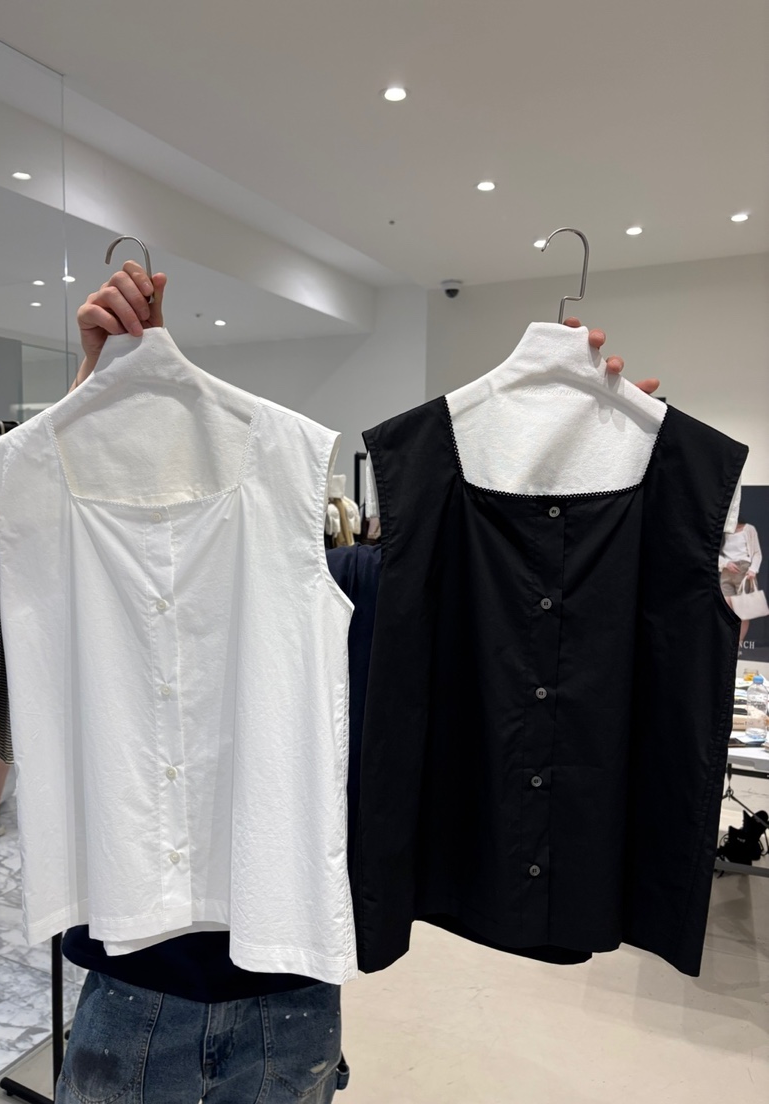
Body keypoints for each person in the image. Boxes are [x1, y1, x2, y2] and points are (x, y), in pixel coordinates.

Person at [55, 262, 660, 1104]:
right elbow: (34, 560)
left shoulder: (360, 586)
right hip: (142, 983)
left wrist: (600, 464)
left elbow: (525, 636)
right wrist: (94, 392)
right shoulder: (97, 573)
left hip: (287, 987)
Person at [720, 519, 764, 648]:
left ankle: (737, 646)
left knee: (743, 612)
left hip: (744, 571)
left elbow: (756, 553)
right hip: (726, 572)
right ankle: (727, 646)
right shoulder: (721, 530)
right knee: (725, 611)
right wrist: (725, 563)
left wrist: (753, 569)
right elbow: (713, 553)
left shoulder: (748, 528)